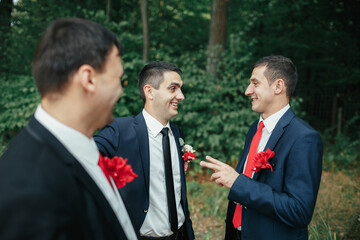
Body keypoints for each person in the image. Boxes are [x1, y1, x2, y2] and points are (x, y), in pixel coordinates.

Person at [0, 18, 139, 240]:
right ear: (89, 79)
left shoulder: (80, 147)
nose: (121, 91)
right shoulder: (28, 191)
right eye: (118, 79)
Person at [200, 55, 323, 240]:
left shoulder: (304, 138)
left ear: (278, 86)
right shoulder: (255, 129)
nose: (247, 91)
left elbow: (299, 212)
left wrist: (238, 183)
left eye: (255, 83)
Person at [94, 61, 195, 240]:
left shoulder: (177, 133)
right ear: (149, 92)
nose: (181, 96)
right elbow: (85, 156)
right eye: (173, 88)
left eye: (181, 89)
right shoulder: (120, 130)